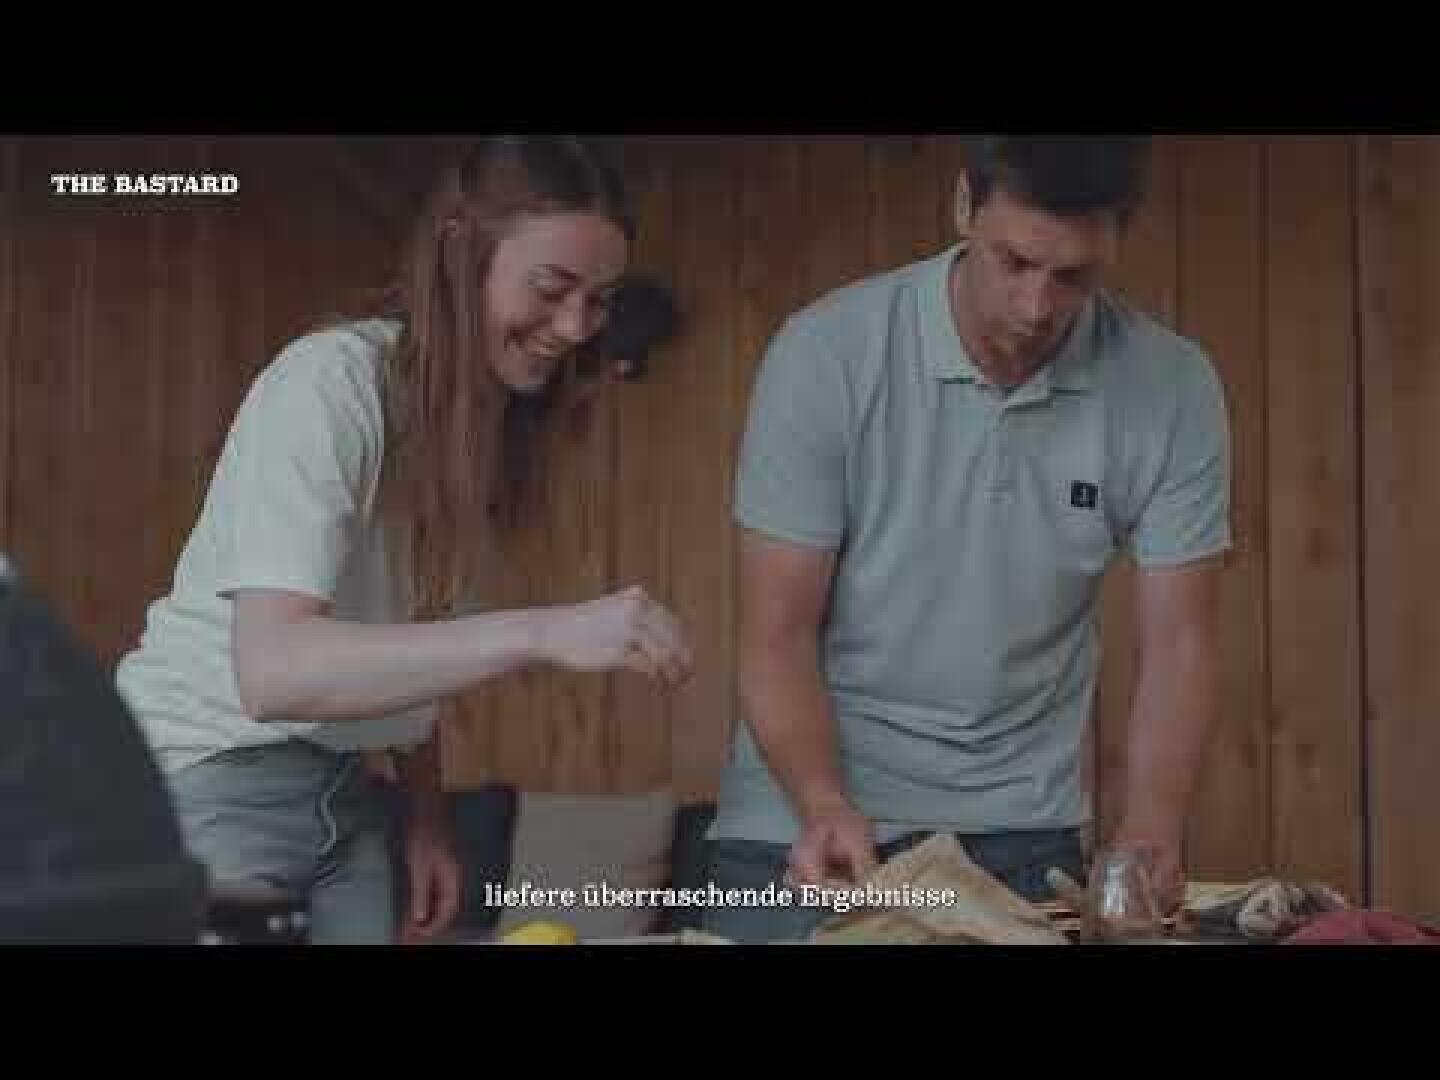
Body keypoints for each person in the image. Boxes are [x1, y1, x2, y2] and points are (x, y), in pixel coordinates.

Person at [114, 137, 695, 945]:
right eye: (552, 288)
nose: (573, 328)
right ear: (461, 255)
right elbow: (273, 673)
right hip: (204, 782)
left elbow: (408, 635)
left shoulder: (482, 430)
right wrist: (545, 629)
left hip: (350, 802)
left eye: (598, 301)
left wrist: (427, 816)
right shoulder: (328, 383)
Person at [701, 136, 1230, 943]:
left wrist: (1151, 828)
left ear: (1119, 237)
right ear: (962, 206)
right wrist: (821, 801)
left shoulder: (1173, 385)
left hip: (1021, 833)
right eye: (1012, 262)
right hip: (799, 829)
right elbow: (775, 634)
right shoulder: (825, 354)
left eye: (1073, 277)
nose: (1036, 307)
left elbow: (1180, 644)